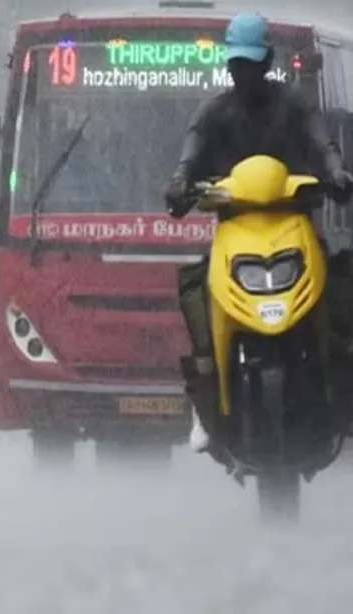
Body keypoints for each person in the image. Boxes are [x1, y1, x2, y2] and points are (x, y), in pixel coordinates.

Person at [164, 12, 353, 458]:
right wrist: (179, 183)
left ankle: (341, 389)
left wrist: (335, 172)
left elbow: (323, 144)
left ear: (267, 59)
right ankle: (205, 404)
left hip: (294, 224)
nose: (243, 73)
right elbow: (188, 159)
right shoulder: (213, 113)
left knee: (341, 285)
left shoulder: (297, 107)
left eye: (251, 63)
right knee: (196, 288)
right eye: (237, 65)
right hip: (234, 230)